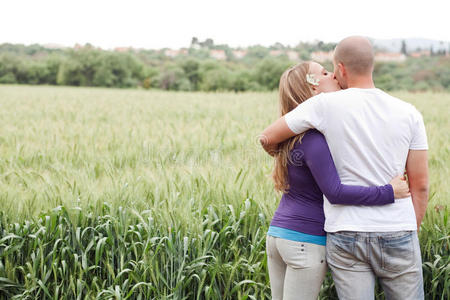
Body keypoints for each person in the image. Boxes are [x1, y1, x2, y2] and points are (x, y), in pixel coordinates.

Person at [261, 36, 429, 299]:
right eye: (322, 73)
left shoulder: (320, 110)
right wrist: (408, 224)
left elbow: (267, 137)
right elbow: (420, 185)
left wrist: (285, 154)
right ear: (372, 65)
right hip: (393, 228)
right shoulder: (409, 113)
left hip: (338, 231)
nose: (331, 76)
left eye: (330, 70)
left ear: (341, 68)